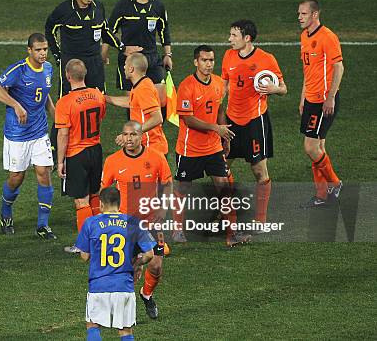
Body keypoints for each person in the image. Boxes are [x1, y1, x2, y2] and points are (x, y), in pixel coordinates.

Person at [171, 45, 249, 247]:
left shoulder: (217, 83)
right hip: (189, 150)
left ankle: (232, 234)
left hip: (213, 147)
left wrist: (225, 136)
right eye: (204, 60)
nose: (208, 64)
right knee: (182, 188)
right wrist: (216, 128)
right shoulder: (186, 86)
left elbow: (219, 107)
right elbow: (188, 120)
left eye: (211, 60)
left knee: (224, 187)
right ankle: (177, 229)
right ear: (196, 62)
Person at [0, 33, 57, 239]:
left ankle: (43, 225)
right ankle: (6, 211)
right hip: (17, 134)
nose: (43, 53)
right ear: (29, 50)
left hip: (39, 132)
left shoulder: (48, 69)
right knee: (17, 177)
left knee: (44, 173)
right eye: (38, 50)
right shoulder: (19, 70)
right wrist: (16, 105)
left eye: (45, 49)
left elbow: (45, 95)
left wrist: (57, 118)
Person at [101, 121, 172, 320]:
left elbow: (167, 183)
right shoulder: (113, 161)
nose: (129, 139)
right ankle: (126, 312)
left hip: (151, 222)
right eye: (125, 135)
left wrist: (163, 207)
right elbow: (104, 191)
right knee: (130, 270)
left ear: (141, 136)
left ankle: (147, 295)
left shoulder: (156, 158)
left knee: (156, 266)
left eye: (133, 135)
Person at [220, 20, 287, 226]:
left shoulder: (266, 59)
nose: (229, 39)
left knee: (259, 172)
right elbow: (224, 86)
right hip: (231, 121)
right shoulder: (228, 56)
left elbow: (283, 88)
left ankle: (261, 220)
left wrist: (272, 89)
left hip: (254, 123)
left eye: (234, 35)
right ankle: (227, 215)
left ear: (247, 38)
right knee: (221, 169)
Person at [75, 187, 155, 341]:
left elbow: (84, 256)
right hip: (124, 285)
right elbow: (149, 254)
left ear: (101, 204)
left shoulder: (91, 223)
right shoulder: (133, 222)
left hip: (98, 285)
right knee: (125, 331)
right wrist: (137, 264)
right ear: (120, 203)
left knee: (93, 326)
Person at [45, 0, 129, 98]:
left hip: (94, 63)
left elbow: (105, 31)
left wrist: (122, 47)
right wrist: (57, 55)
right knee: (70, 103)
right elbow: (49, 29)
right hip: (72, 63)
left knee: (98, 101)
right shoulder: (63, 10)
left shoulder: (98, 7)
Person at [55, 59, 106, 253]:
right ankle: (100, 240)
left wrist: (60, 161)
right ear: (84, 75)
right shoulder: (97, 95)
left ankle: (85, 246)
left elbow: (63, 134)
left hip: (76, 154)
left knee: (80, 200)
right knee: (94, 196)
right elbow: (101, 117)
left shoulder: (64, 102)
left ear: (68, 76)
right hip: (96, 150)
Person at [297, 0, 344, 207]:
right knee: (319, 146)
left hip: (323, 101)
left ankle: (335, 183)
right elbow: (308, 71)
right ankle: (322, 195)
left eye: (304, 14)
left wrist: (331, 97)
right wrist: (302, 97)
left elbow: (339, 68)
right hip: (310, 100)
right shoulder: (304, 36)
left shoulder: (328, 37)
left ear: (315, 14)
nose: (299, 17)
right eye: (299, 13)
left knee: (310, 147)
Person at [104, 0, 172, 92]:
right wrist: (105, 52)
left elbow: (164, 30)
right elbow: (108, 31)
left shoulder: (158, 6)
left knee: (160, 98)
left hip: (152, 58)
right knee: (132, 102)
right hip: (129, 59)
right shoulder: (123, 6)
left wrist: (167, 54)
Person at [106, 53, 168, 156]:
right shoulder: (140, 85)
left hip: (152, 148)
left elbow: (157, 118)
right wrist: (105, 98)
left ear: (131, 69)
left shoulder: (144, 89)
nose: (124, 67)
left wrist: (131, 134)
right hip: (147, 147)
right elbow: (131, 102)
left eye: (125, 64)